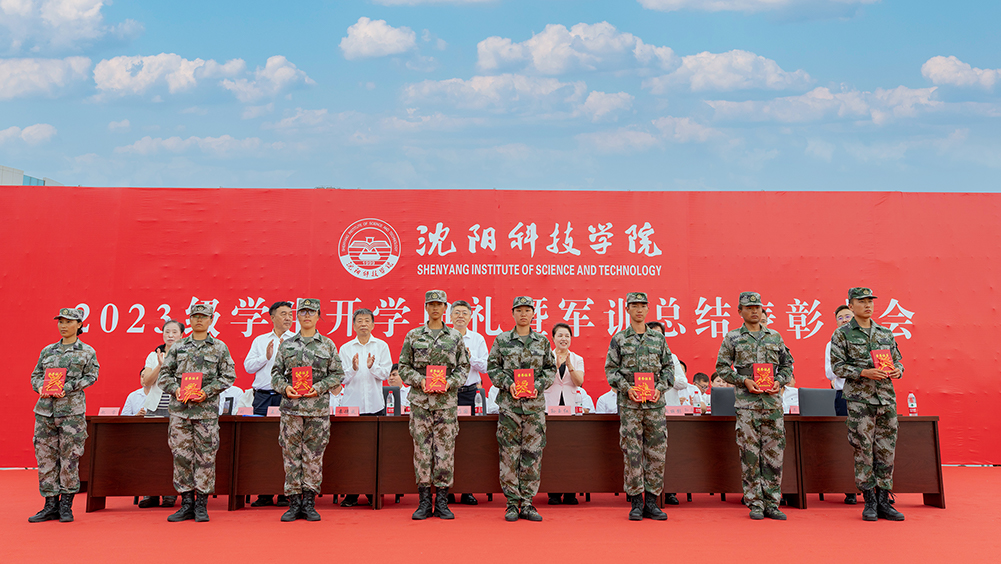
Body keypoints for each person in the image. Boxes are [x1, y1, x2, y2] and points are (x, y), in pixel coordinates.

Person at [715, 291, 793, 521]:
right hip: (746, 405)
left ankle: (772, 503)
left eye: (757, 307)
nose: (754, 311)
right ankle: (755, 503)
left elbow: (787, 364)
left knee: (774, 454)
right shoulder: (733, 337)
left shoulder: (775, 337)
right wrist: (743, 381)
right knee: (750, 454)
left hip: (772, 404)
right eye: (749, 308)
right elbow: (722, 368)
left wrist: (780, 381)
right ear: (740, 311)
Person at [830, 287, 905, 522]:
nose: (867, 305)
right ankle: (869, 501)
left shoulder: (885, 332)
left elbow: (898, 361)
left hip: (886, 399)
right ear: (851, 306)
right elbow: (837, 367)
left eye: (870, 301)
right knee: (863, 449)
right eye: (861, 301)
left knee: (886, 449)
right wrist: (864, 372)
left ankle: (884, 500)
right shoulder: (842, 334)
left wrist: (897, 370)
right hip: (860, 400)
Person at [157, 303, 236, 523]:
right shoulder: (178, 347)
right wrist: (177, 390)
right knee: (181, 456)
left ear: (211, 320)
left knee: (206, 457)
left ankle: (201, 504)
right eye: (195, 316)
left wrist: (207, 392)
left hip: (206, 413)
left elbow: (228, 376)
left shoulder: (219, 347)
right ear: (190, 320)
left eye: (203, 317)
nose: (199, 320)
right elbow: (164, 376)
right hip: (180, 412)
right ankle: (186, 504)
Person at [398, 290, 470, 520]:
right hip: (420, 403)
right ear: (426, 308)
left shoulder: (455, 337)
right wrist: (419, 380)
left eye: (439, 304)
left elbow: (464, 368)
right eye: (432, 304)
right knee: (422, 451)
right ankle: (424, 502)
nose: (435, 308)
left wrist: (449, 382)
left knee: (445, 451)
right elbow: (403, 367)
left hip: (446, 404)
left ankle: (442, 502)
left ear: (445, 308)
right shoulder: (413, 335)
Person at [271, 298, 344, 522]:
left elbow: (338, 374)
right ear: (297, 316)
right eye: (303, 312)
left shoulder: (327, 345)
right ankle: (294, 503)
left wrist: (319, 388)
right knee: (291, 456)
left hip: (317, 411)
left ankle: (309, 502)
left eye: (311, 312)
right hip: (291, 410)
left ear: (318, 316)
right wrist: (285, 388)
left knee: (313, 456)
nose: (307, 316)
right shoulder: (287, 345)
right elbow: (275, 374)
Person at [605, 292, 674, 521]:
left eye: (642, 306)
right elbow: (611, 370)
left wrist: (660, 388)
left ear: (648, 309)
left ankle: (652, 502)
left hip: (655, 406)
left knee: (656, 453)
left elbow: (669, 368)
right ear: (627, 309)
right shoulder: (619, 339)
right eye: (634, 306)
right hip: (630, 406)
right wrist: (627, 388)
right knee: (632, 453)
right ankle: (636, 502)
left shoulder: (658, 339)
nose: (639, 309)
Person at [488, 296, 557, 522]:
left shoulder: (542, 341)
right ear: (513, 313)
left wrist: (538, 385)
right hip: (510, 407)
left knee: (533, 454)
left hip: (534, 409)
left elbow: (550, 369)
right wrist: (508, 384)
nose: (523, 314)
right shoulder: (502, 340)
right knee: (509, 455)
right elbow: (493, 368)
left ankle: (527, 503)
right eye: (519, 310)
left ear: (533, 313)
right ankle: (511, 503)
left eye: (527, 310)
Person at [28, 307, 99, 523]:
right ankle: (50, 505)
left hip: (71, 414)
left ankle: (66, 505)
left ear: (79, 325)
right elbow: (36, 375)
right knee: (45, 458)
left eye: (68, 322)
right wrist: (40, 386)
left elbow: (92, 376)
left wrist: (67, 387)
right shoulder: (48, 351)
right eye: (60, 321)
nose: (63, 325)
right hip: (45, 412)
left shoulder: (87, 351)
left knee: (70, 458)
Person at [338, 308, 392, 507]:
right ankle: (352, 493)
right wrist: (353, 369)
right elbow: (341, 378)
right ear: (353, 325)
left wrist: (371, 367)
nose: (363, 324)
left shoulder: (381, 346)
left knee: (374, 452)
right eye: (359, 320)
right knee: (351, 452)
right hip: (351, 407)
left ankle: (372, 492)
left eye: (367, 320)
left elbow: (385, 374)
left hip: (375, 405)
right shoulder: (345, 348)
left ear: (373, 324)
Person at [243, 301, 295, 507]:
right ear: (272, 317)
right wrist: (265, 357)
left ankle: (285, 492)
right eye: (283, 314)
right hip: (263, 397)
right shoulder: (260, 340)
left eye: (290, 314)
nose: (288, 318)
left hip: (287, 397)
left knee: (287, 443)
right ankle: (264, 492)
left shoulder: (296, 340)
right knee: (262, 445)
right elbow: (248, 367)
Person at [449, 300, 489, 505]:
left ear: (470, 317)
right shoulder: (444, 338)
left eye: (464, 313)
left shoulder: (477, 339)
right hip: (448, 394)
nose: (460, 316)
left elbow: (486, 367)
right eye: (457, 312)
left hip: (470, 393)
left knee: (470, 442)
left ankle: (468, 490)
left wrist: (470, 357)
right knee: (447, 440)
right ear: (450, 316)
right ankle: (447, 489)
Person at [543, 322, 584, 505]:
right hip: (549, 408)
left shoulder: (577, 358)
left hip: (570, 409)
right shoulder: (546, 358)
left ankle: (570, 492)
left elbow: (579, 382)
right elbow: (544, 382)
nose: (563, 339)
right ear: (553, 338)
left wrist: (569, 365)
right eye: (560, 335)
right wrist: (555, 365)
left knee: (571, 451)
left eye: (567, 335)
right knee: (552, 450)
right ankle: (553, 492)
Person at [140, 320, 186, 420]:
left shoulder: (187, 356)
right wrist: (160, 366)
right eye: (167, 332)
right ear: (163, 334)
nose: (170, 335)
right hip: (155, 407)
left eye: (174, 332)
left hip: (179, 407)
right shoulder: (153, 356)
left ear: (181, 335)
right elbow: (147, 382)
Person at [826, 305, 854, 416]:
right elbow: (829, 374)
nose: (844, 320)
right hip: (843, 395)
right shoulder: (832, 345)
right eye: (840, 318)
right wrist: (841, 363)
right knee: (844, 426)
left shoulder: (867, 340)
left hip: (865, 393)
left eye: (848, 316)